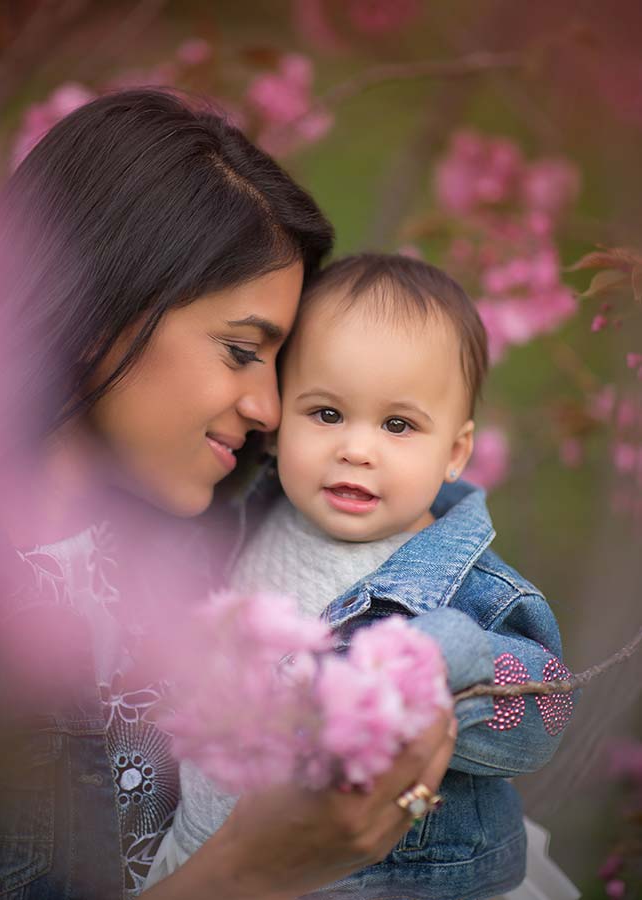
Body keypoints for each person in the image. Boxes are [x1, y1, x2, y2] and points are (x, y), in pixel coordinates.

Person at [0, 92, 457, 900]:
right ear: (101, 302)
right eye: (240, 351)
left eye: (277, 371)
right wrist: (252, 872)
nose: (267, 410)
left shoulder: (217, 557)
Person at [147, 254, 580, 900]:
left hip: (376, 883)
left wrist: (441, 665)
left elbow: (545, 705)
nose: (356, 448)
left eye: (397, 425)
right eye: (325, 414)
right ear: (279, 416)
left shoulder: (472, 592)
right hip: (202, 857)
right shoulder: (244, 516)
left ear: (455, 452)